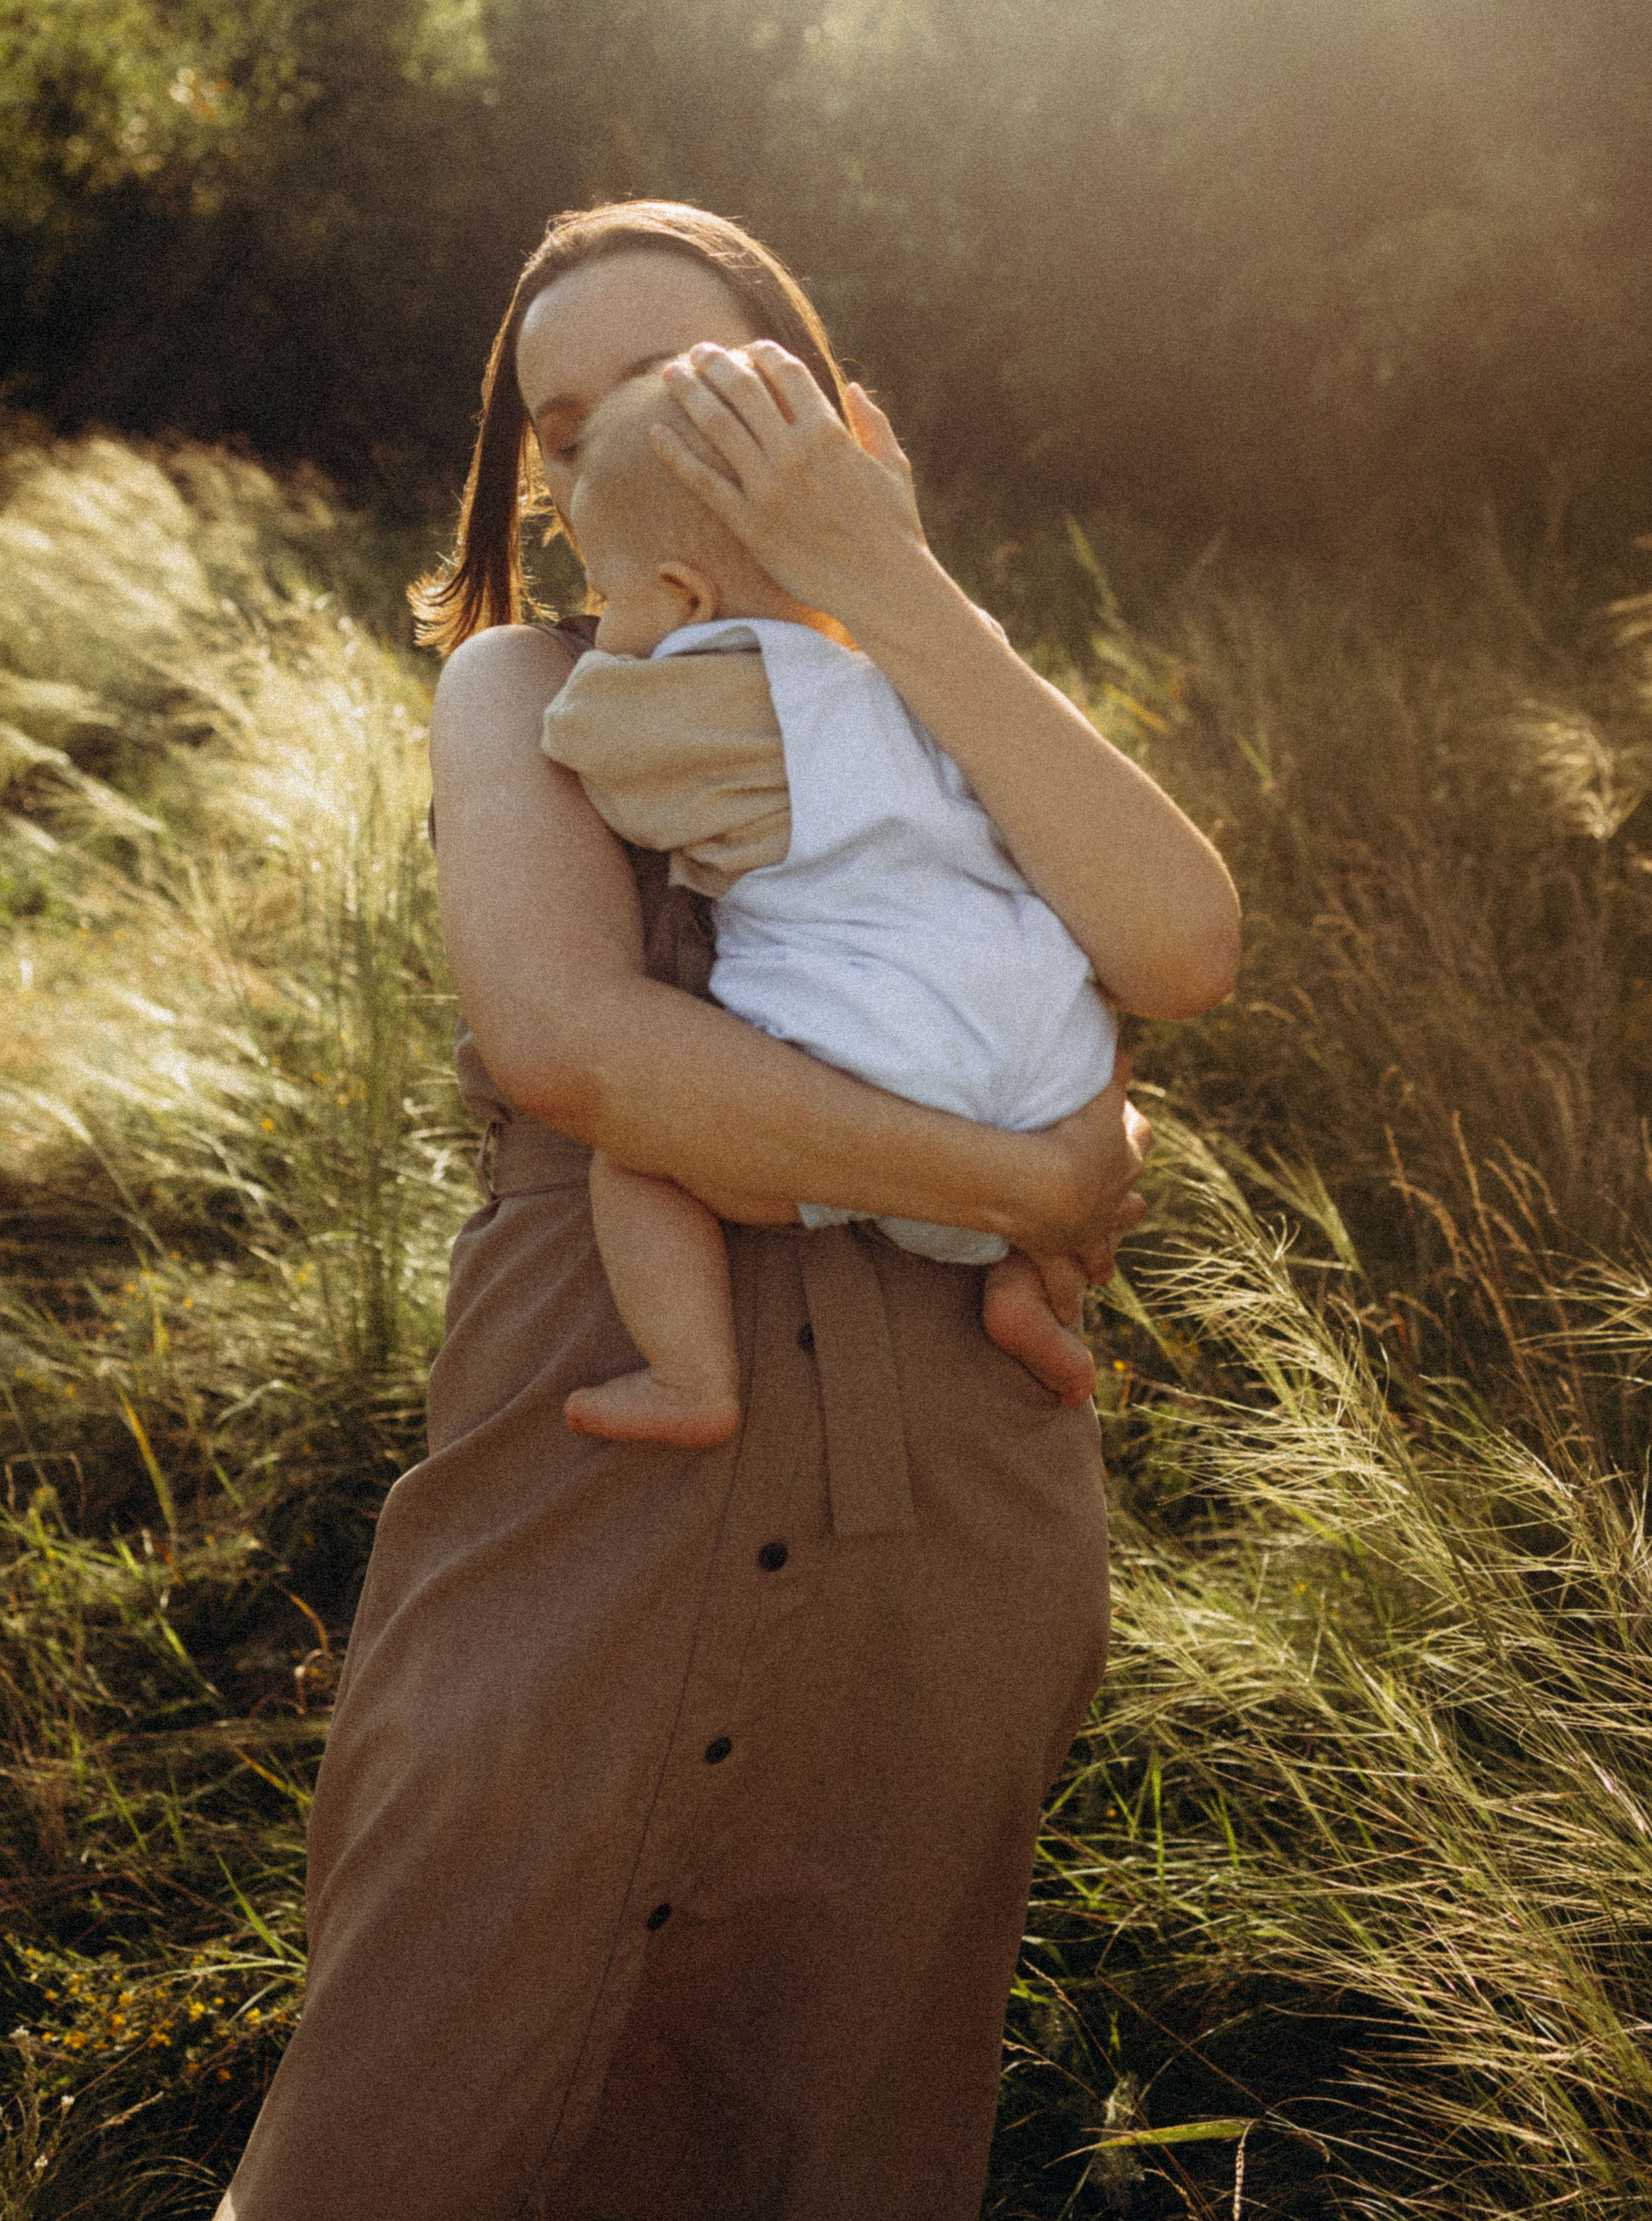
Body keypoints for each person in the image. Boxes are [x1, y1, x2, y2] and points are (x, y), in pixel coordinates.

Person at [217, 200, 1238, 2221]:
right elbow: (577, 1050)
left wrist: (899, 578)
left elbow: (1179, 942)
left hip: (950, 1499)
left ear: (824, 411)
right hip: (593, 1463)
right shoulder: (527, 690)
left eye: (665, 390)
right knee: (426, 2074)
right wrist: (1036, 1178)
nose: (596, 452)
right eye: (557, 423)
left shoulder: (950, 700)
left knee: (838, 2092)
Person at [539, 362, 1140, 1446]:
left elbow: (597, 762)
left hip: (881, 1053)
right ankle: (1018, 1287)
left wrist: (600, 673)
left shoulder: (709, 700)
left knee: (634, 1161)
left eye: (610, 597)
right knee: (1024, 1156)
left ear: (684, 598)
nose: (603, 623)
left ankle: (692, 1374)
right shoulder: (910, 675)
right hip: (1057, 1050)